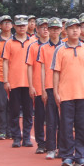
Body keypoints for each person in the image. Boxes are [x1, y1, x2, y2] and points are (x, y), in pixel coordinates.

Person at [52, 18, 84, 166]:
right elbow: (56, 72)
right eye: (72, 28)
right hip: (66, 94)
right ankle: (67, 156)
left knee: (82, 127)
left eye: (77, 27)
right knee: (66, 126)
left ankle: (81, 156)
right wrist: (56, 92)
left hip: (83, 93)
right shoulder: (60, 50)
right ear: (66, 31)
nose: (75, 30)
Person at [2, 15, 33, 148]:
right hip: (14, 82)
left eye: (23, 25)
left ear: (27, 26)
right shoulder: (9, 43)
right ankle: (16, 137)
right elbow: (5, 62)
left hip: (29, 82)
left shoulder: (33, 42)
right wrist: (5, 80)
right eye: (19, 25)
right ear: (14, 26)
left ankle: (26, 138)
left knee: (28, 112)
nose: (21, 28)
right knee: (14, 111)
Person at [38, 17, 64, 160]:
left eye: (57, 28)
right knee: (51, 120)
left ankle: (62, 147)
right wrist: (42, 89)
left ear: (61, 30)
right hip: (49, 87)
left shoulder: (65, 46)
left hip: (63, 87)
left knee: (63, 120)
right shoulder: (43, 48)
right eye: (52, 29)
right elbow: (42, 69)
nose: (54, 31)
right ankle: (51, 148)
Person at [26, 18, 50, 154]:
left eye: (47, 27)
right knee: (40, 116)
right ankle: (41, 143)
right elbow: (29, 66)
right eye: (42, 27)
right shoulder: (33, 46)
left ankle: (53, 142)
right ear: (37, 30)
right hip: (38, 86)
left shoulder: (58, 46)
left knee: (53, 117)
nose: (45, 30)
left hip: (52, 86)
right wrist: (31, 85)